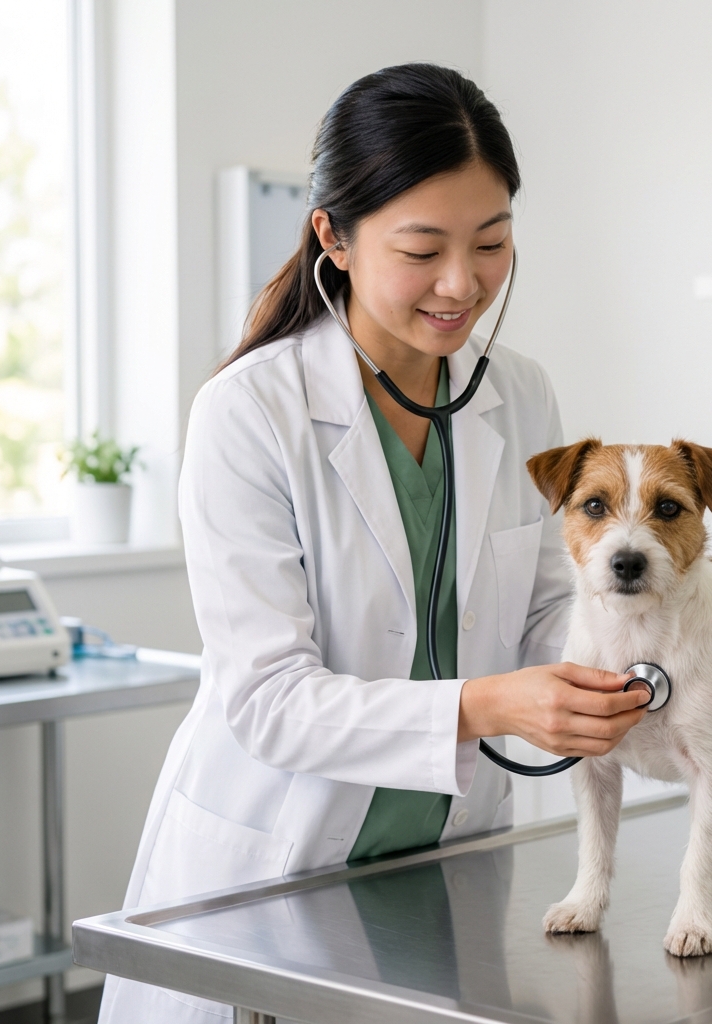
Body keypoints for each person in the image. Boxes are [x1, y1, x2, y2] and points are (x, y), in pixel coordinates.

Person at [98, 63, 647, 1023]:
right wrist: (487, 705)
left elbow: (548, 608)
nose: (460, 283)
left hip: (445, 871)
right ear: (334, 238)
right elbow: (268, 700)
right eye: (422, 247)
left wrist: (623, 662)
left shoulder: (521, 395)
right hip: (276, 873)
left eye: (491, 242)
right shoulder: (249, 414)